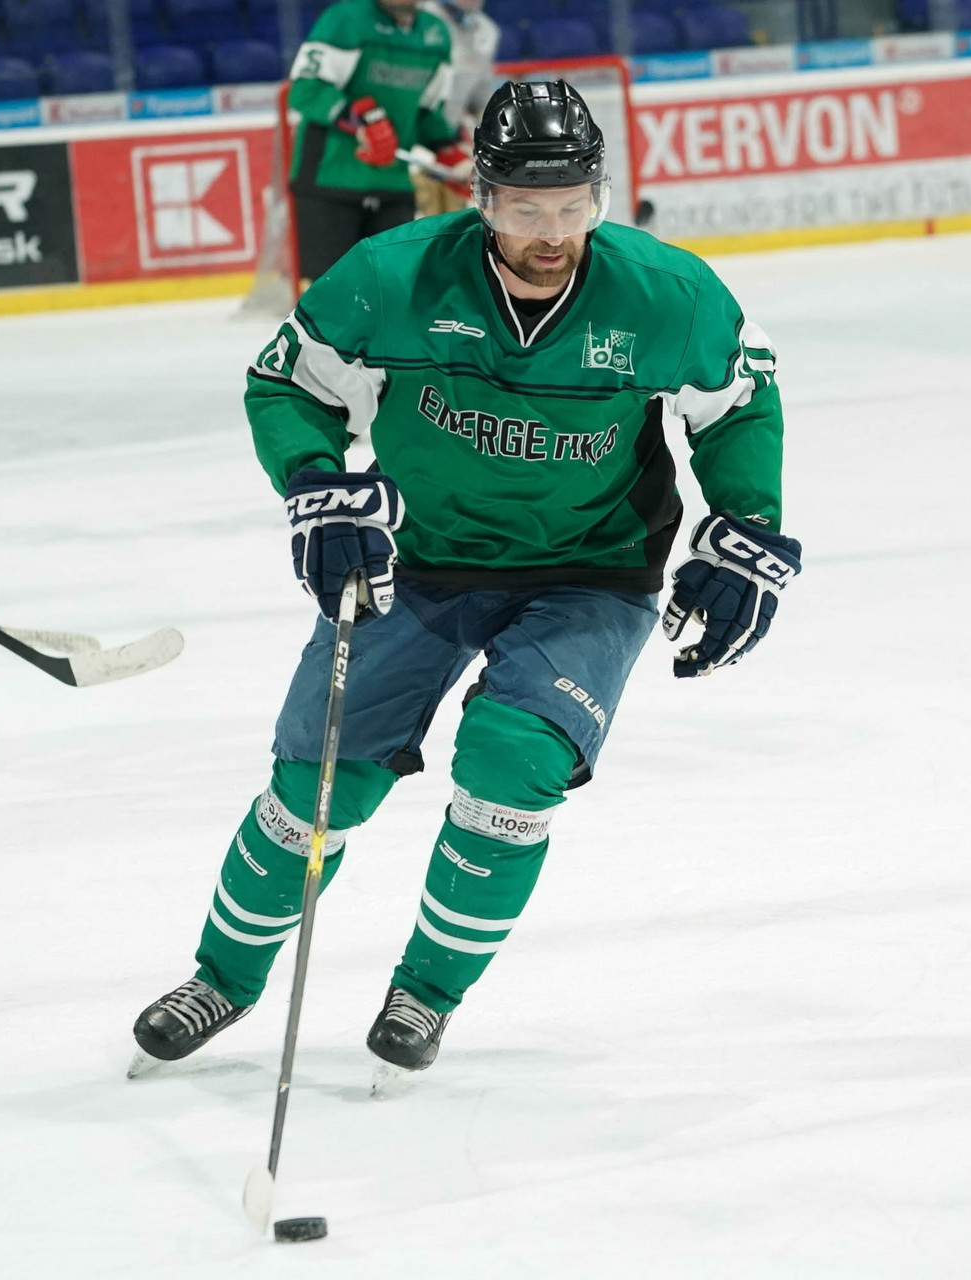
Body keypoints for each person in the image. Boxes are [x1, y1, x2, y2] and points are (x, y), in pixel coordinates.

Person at [131, 82, 801, 1083]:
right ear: (481, 198)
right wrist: (317, 483)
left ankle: (426, 992)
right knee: (318, 781)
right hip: (422, 559)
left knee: (511, 762)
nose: (553, 233)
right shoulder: (390, 277)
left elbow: (739, 404)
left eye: (574, 206)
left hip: (591, 569)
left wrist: (748, 524)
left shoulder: (669, 295)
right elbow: (288, 383)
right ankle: (223, 977)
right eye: (527, 208)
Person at [287, 0, 469, 285]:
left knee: (393, 291)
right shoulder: (346, 19)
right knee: (331, 293)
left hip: (393, 185)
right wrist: (356, 120)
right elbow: (305, 89)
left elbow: (426, 113)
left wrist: (450, 155)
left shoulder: (436, 34)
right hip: (330, 180)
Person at [414, 0, 500, 216]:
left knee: (452, 220)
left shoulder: (487, 31)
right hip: (408, 137)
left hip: (449, 140)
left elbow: (479, 102)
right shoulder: (417, 18)